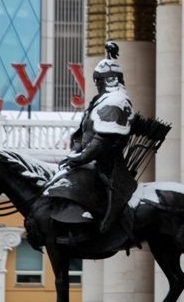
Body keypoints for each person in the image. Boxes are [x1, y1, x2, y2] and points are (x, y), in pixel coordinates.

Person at [41, 41, 136, 240]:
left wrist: (81, 158)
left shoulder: (115, 102)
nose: (97, 85)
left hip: (106, 165)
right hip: (91, 159)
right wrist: (76, 154)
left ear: (108, 80)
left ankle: (83, 228)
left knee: (77, 184)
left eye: (99, 81)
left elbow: (103, 140)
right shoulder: (102, 101)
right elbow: (84, 134)